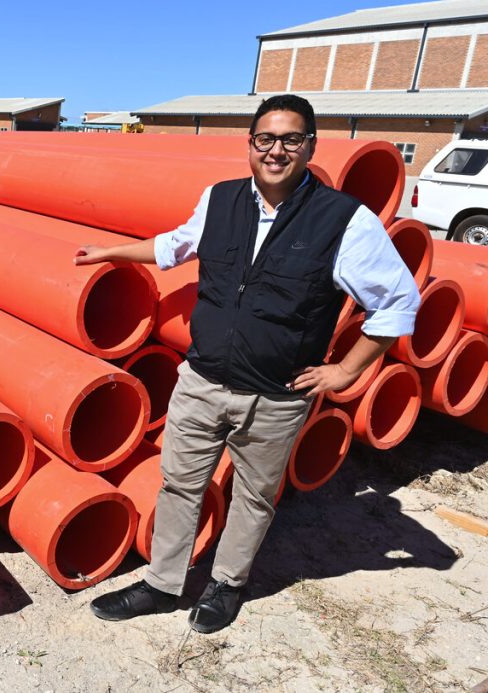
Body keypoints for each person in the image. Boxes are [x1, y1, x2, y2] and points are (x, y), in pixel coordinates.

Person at [74, 94, 420, 634]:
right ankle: (163, 584)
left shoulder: (344, 221)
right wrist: (111, 253)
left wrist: (346, 371)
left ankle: (227, 585)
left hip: (275, 395)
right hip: (201, 380)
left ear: (309, 146)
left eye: (291, 139)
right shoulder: (221, 199)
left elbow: (398, 301)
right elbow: (175, 246)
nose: (276, 150)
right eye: (265, 139)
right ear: (250, 144)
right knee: (180, 486)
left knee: (253, 496)